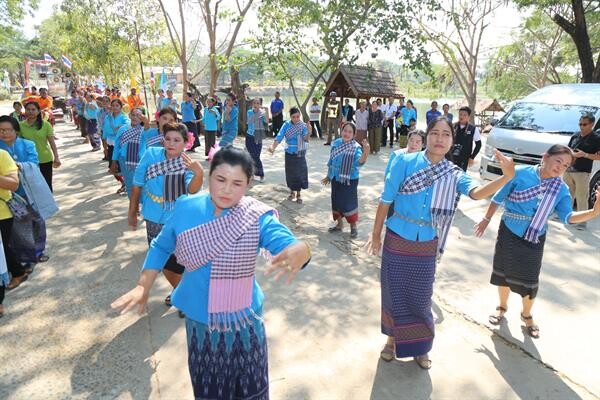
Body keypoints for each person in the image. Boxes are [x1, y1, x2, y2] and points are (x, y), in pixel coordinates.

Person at [112, 145, 311, 399]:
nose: (227, 189)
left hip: (245, 321)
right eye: (220, 179)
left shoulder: (256, 216)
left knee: (251, 390)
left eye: (237, 183)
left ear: (248, 184)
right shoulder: (186, 208)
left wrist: (301, 249)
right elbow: (161, 245)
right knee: (210, 391)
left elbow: (287, 243)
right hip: (201, 323)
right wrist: (143, 285)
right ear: (209, 176)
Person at [366, 116, 516, 369]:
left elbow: (477, 193)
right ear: (427, 136)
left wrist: (505, 178)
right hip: (397, 238)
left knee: (422, 298)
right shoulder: (404, 161)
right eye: (435, 133)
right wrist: (375, 235)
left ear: (451, 141)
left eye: (446, 134)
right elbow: (386, 199)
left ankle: (420, 348)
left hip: (427, 242)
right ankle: (391, 340)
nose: (440, 138)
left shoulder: (454, 174)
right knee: (393, 294)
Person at [474, 144, 600, 339]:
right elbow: (498, 198)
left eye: (565, 165)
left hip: (535, 237)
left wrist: (593, 212)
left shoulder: (561, 189)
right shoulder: (520, 173)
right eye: (558, 161)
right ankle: (502, 307)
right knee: (503, 272)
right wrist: (486, 218)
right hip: (509, 229)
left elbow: (568, 217)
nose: (560, 167)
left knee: (530, 280)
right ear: (546, 156)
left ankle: (526, 315)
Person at [126, 122, 204, 312]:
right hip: (153, 218)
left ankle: (185, 294)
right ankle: (183, 292)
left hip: (176, 220)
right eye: (168, 139)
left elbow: (192, 189)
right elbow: (137, 181)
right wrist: (132, 210)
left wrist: (198, 172)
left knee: (177, 263)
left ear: (186, 143)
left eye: (177, 140)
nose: (171, 143)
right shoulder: (151, 154)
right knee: (163, 262)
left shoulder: (186, 163)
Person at [0, 116, 51, 266]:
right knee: (19, 228)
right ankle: (25, 260)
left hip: (28, 191)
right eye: (1, 130)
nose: (4, 133)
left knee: (37, 222)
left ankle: (38, 251)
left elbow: (34, 164)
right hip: (10, 195)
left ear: (16, 131)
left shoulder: (27, 144)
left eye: (8, 130)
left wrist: (18, 165)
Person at [322, 122, 369, 238]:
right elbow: (331, 161)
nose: (347, 134)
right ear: (341, 131)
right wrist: (329, 175)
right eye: (345, 131)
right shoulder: (336, 143)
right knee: (336, 201)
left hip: (349, 180)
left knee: (349, 204)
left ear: (354, 135)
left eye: (350, 132)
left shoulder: (356, 148)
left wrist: (366, 152)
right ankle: (339, 225)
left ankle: (353, 226)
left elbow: (359, 162)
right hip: (336, 178)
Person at [564, 114, 600, 230]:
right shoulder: (575, 135)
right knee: (567, 195)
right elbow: (568, 149)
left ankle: (582, 222)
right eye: (580, 124)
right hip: (569, 169)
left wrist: (584, 155)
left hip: (583, 172)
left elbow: (598, 157)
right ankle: (566, 216)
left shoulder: (596, 139)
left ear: (591, 124)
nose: (581, 127)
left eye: (584, 124)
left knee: (581, 197)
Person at [268, 107, 310, 203]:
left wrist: (310, 131)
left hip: (300, 153)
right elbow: (279, 136)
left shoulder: (303, 126)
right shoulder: (286, 125)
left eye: (298, 117)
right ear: (290, 117)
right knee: (290, 174)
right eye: (293, 117)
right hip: (289, 153)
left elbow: (306, 138)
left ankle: (299, 194)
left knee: (299, 174)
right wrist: (273, 147)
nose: (296, 119)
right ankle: (292, 192)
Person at [19, 101, 61, 192]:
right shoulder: (21, 126)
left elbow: (52, 142)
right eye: (28, 109)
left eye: (33, 109)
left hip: (44, 159)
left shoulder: (46, 125)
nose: (30, 111)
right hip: (27, 161)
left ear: (38, 111)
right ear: (25, 111)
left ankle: (49, 205)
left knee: (46, 185)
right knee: (32, 187)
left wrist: (56, 157)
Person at [0, 148, 23, 307]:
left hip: (3, 213)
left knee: (6, 251)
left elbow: (14, 184)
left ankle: (17, 272)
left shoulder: (2, 155)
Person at [111, 108, 145, 197]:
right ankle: (134, 208)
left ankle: (142, 205)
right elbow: (117, 146)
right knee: (129, 184)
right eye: (133, 115)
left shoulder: (145, 130)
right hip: (124, 160)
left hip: (139, 161)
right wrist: (114, 161)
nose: (135, 117)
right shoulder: (122, 129)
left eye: (138, 115)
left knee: (141, 184)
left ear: (142, 118)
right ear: (129, 115)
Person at [103, 99, 130, 194]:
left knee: (122, 166)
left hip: (121, 145)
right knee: (112, 167)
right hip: (110, 144)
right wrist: (104, 147)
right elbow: (105, 132)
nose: (115, 107)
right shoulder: (107, 118)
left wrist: (121, 127)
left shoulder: (124, 118)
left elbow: (128, 125)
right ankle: (124, 183)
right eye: (113, 105)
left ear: (120, 107)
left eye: (117, 105)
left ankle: (126, 185)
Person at [452, 106, 482, 171]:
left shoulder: (473, 129)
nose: (461, 116)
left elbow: (479, 144)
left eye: (464, 115)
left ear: (468, 117)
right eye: (460, 114)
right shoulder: (452, 126)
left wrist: (472, 157)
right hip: (451, 157)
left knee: (460, 177)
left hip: (463, 159)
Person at [246, 98, 267, 182]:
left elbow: (266, 122)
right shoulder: (249, 112)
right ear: (252, 104)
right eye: (254, 103)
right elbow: (249, 122)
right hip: (249, 136)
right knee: (250, 156)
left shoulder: (262, 113)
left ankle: (261, 174)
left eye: (258, 103)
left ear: (260, 105)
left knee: (257, 156)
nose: (256, 105)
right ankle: (252, 174)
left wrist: (266, 112)